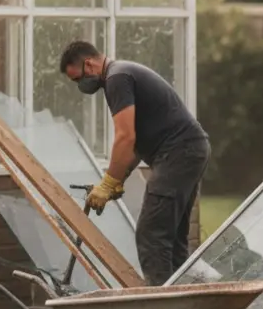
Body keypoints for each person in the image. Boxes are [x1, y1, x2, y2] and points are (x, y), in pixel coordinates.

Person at [59, 40, 210, 286]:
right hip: (189, 151)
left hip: (178, 153)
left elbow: (125, 136)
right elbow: (136, 143)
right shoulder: (122, 73)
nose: (81, 86)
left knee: (151, 235)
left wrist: (108, 184)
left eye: (78, 79)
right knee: (172, 241)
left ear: (89, 64)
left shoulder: (117, 78)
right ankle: (183, 303)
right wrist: (117, 180)